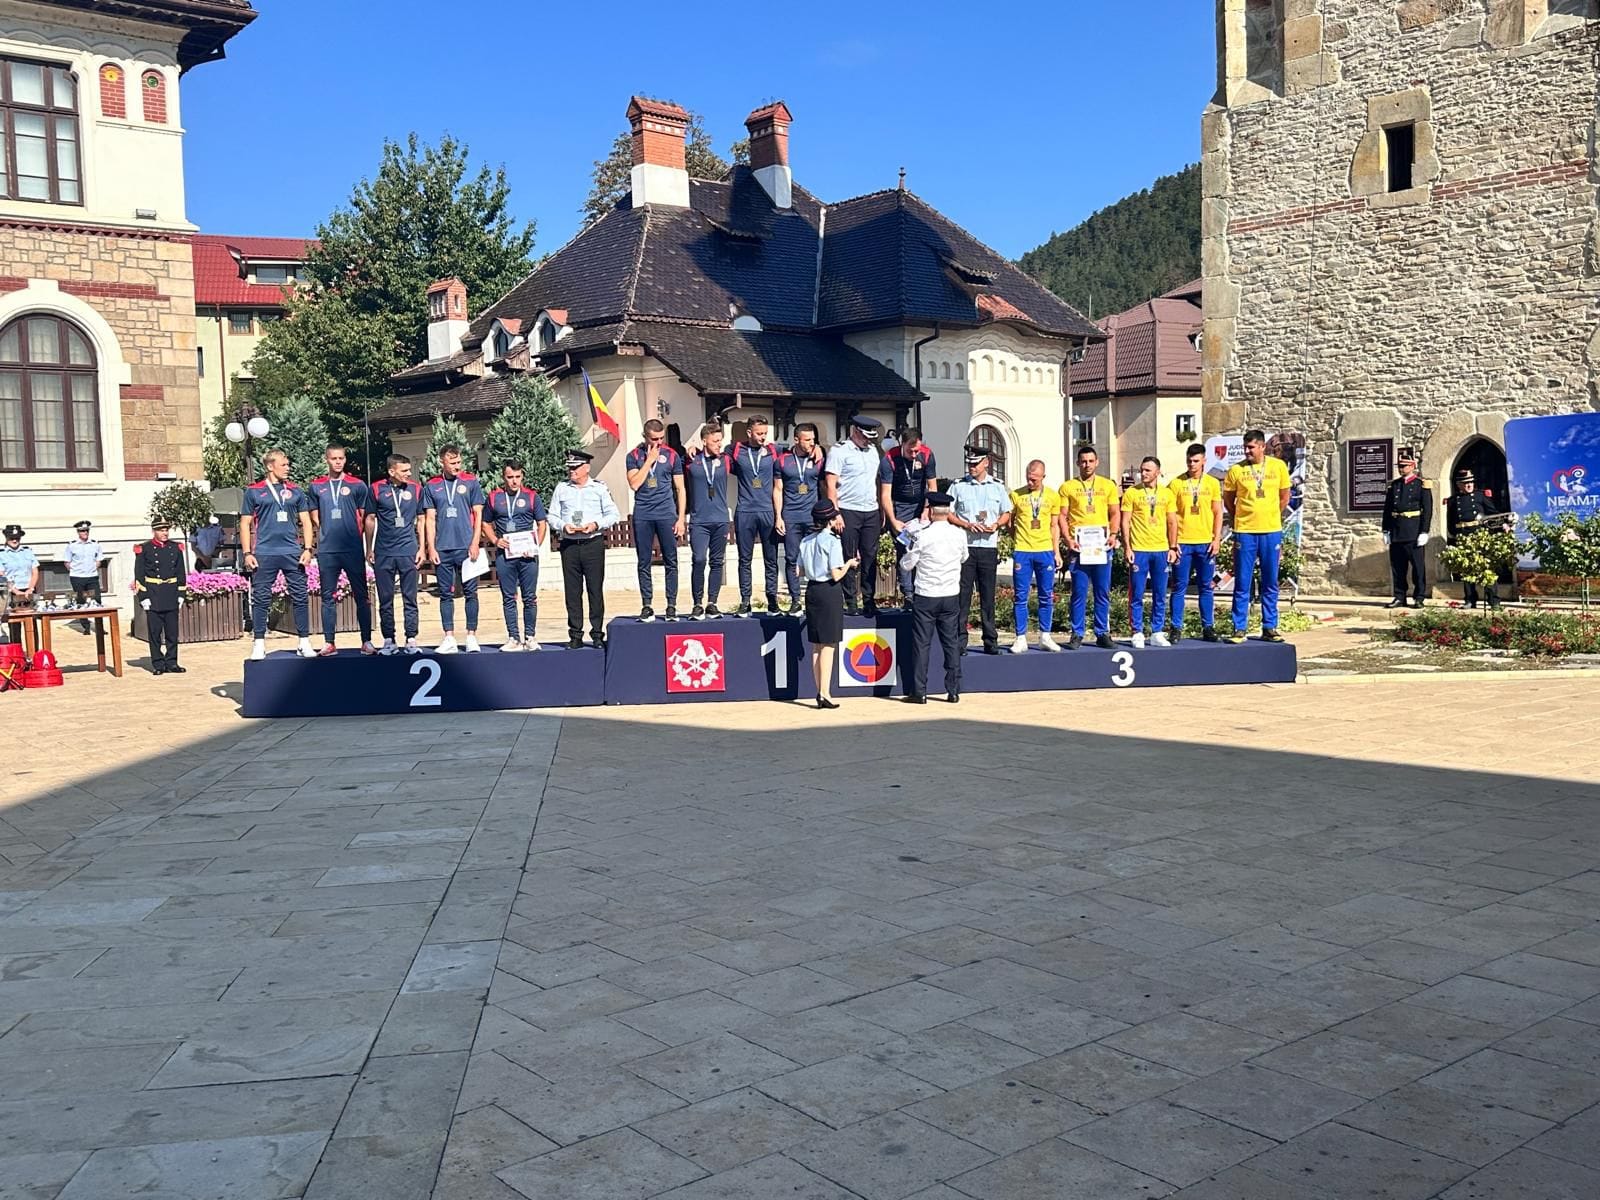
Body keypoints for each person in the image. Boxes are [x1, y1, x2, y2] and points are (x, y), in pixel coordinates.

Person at [242, 449, 315, 662]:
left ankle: (304, 641)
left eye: (287, 464)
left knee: (300, 596)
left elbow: (306, 521)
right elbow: (245, 523)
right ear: (270, 466)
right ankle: (259, 643)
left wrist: (308, 548)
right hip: (265, 552)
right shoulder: (254, 491)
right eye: (283, 464)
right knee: (261, 598)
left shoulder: (295, 491)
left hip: (292, 552)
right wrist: (247, 553)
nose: (287, 468)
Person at [1223, 428, 1293, 643]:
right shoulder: (1236, 470)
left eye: (1251, 447)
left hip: (1271, 531)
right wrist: (1240, 518)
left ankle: (1269, 627)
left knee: (1270, 580)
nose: (1247, 451)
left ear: (1262, 447)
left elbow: (1285, 497)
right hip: (1245, 532)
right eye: (1245, 447)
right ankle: (1239, 628)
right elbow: (1229, 500)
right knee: (1243, 581)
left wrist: (1271, 515)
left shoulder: (1278, 466)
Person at [308, 445, 375, 657]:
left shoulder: (357, 485)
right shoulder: (316, 486)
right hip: (328, 550)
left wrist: (360, 539)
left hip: (352, 548)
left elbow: (364, 516)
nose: (338, 462)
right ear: (326, 460)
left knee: (361, 595)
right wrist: (328, 531)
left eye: (341, 458)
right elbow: (315, 516)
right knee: (327, 596)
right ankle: (329, 642)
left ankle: (366, 641)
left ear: (345, 460)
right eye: (333, 458)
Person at [548, 448, 620, 648]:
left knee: (594, 590)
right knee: (572, 592)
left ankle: (597, 634)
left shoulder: (599, 488)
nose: (572, 471)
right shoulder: (562, 488)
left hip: (592, 543)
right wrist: (563, 526)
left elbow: (613, 514)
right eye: (570, 468)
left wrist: (596, 524)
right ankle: (575, 634)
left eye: (576, 467)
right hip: (570, 545)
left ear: (587, 468)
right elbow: (552, 515)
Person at [901, 492, 968, 704]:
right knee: (951, 643)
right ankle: (953, 690)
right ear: (948, 512)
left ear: (930, 511)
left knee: (922, 644)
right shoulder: (959, 534)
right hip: (950, 594)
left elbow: (907, 565)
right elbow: (964, 557)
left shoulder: (923, 535)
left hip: (926, 595)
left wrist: (907, 547)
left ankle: (919, 691)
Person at [423, 446, 486, 653]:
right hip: (443, 548)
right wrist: (431, 548)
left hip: (466, 547)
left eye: (459, 462)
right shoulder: (432, 485)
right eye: (452, 463)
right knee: (445, 594)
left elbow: (478, 514)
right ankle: (449, 637)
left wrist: (475, 542)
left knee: (471, 593)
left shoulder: (470, 482)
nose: (457, 466)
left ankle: (471, 636)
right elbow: (430, 519)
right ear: (442, 462)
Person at [950, 445, 1011, 655]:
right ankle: (960, 641)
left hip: (987, 546)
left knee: (988, 595)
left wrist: (996, 524)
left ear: (986, 463)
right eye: (969, 464)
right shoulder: (958, 486)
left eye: (976, 464)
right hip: (966, 546)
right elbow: (948, 513)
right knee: (963, 596)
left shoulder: (997, 487)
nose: (972, 467)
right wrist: (966, 524)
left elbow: (1006, 512)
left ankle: (990, 640)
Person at [1060, 445, 1121, 650]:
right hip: (1079, 547)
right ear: (1078, 463)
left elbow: (1115, 513)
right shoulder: (1068, 487)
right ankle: (1077, 633)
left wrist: (1113, 534)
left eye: (1090, 461)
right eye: (1083, 461)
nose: (1087, 465)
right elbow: (1062, 516)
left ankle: (1102, 633)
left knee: (1102, 592)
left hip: (1101, 546)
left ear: (1097, 462)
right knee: (1079, 592)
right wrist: (1068, 539)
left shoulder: (1108, 485)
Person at [798, 500, 856, 710]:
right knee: (829, 645)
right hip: (828, 591)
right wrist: (849, 564)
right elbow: (836, 574)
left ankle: (820, 691)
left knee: (816, 645)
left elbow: (799, 571)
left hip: (812, 590)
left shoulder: (806, 540)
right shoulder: (832, 541)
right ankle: (825, 692)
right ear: (830, 520)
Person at [625, 419, 685, 622]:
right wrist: (649, 461)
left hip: (666, 513)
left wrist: (681, 518)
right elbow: (634, 484)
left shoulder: (671, 455)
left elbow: (680, 488)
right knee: (644, 561)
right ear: (645, 437)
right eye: (654, 439)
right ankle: (647, 605)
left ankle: (671, 605)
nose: (658, 442)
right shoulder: (633, 456)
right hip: (643, 514)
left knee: (671, 560)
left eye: (661, 438)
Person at [485, 460, 548, 650]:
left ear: (522, 476)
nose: (514, 481)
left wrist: (536, 545)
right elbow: (485, 523)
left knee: (529, 597)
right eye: (510, 477)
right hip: (505, 555)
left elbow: (542, 523)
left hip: (528, 555)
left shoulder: (531, 496)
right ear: (503, 477)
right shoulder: (494, 497)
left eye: (518, 477)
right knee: (509, 597)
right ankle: (513, 637)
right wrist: (495, 540)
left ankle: (530, 636)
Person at [825, 415, 884, 616]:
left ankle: (869, 600)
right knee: (848, 556)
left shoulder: (873, 451)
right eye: (865, 436)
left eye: (871, 437)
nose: (868, 440)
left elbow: (877, 481)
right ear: (856, 431)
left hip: (870, 510)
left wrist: (880, 508)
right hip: (848, 509)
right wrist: (835, 513)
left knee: (870, 557)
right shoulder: (839, 451)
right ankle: (850, 601)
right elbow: (831, 485)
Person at [365, 453, 425, 655]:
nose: (408, 473)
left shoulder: (416, 489)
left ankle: (411, 638)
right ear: (391, 471)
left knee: (410, 597)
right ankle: (389, 639)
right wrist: (369, 548)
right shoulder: (376, 489)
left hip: (408, 550)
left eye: (409, 470)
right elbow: (370, 519)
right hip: (384, 551)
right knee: (385, 598)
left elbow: (421, 519)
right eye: (404, 470)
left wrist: (422, 547)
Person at [1167, 442, 1224, 642]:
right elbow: (1170, 516)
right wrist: (1172, 543)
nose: (1192, 464)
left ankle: (1208, 628)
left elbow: (1218, 513)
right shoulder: (1176, 484)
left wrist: (1216, 539)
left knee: (1206, 587)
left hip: (1205, 543)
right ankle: (1176, 628)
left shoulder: (1212, 483)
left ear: (1204, 461)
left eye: (1196, 461)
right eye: (1189, 461)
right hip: (1183, 543)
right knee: (1179, 587)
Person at [1007, 459, 1064, 653]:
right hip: (1023, 551)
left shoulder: (1053, 496)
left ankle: (1045, 636)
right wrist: (1017, 539)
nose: (1031, 483)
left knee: (1046, 595)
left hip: (1045, 551)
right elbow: (1009, 522)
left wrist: (1056, 552)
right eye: (1028, 479)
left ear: (1043, 477)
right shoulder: (1016, 495)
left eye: (1035, 480)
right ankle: (1020, 638)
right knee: (1020, 596)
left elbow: (1054, 526)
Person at [880, 428, 939, 607]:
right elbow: (885, 494)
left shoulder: (927, 455)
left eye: (916, 451)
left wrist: (927, 509)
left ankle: (922, 591)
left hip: (921, 506)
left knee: (923, 548)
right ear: (902, 444)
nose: (913, 455)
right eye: (910, 451)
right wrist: (893, 520)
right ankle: (908, 594)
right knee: (905, 549)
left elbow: (932, 487)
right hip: (899, 507)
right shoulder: (889, 459)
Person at [1121, 456, 1176, 649]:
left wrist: (1173, 547)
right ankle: (1137, 632)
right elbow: (1125, 521)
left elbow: (1172, 522)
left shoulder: (1167, 494)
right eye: (1141, 470)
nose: (1143, 473)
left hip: (1161, 550)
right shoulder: (1132, 493)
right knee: (1137, 593)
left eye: (1147, 470)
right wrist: (1127, 547)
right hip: (1139, 550)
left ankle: (1157, 632)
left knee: (1160, 594)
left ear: (1157, 472)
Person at [730, 415, 780, 616]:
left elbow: (797, 452)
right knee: (745, 559)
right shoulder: (735, 450)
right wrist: (693, 449)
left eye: (765, 433)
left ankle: (772, 599)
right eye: (759, 433)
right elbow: (714, 453)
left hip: (767, 511)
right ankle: (745, 600)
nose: (763, 437)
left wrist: (818, 449)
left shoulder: (774, 451)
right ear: (749, 432)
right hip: (745, 511)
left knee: (771, 559)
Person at [775, 423, 824, 614]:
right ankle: (795, 600)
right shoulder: (782, 461)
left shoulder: (819, 458)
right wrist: (778, 516)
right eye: (807, 440)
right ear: (796, 440)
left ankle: (815, 598)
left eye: (814, 440)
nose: (811, 443)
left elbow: (825, 485)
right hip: (791, 516)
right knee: (791, 559)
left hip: (813, 517)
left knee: (816, 558)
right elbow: (777, 489)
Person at [685, 423, 732, 618]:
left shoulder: (726, 459)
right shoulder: (691, 460)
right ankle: (697, 602)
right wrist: (689, 448)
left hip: (721, 519)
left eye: (720, 441)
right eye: (715, 441)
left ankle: (712, 602)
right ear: (704, 441)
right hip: (699, 520)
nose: (719, 444)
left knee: (717, 561)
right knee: (699, 559)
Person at [133, 518, 187, 675]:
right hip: (154, 594)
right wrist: (143, 596)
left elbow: (180, 572)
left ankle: (172, 662)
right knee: (155, 632)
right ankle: (158, 663)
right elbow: (139, 574)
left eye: (166, 530)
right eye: (161, 530)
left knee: (172, 632)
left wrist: (181, 593)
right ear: (154, 531)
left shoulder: (175, 548)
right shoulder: (145, 549)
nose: (165, 533)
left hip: (170, 592)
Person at [1446, 468, 1504, 609]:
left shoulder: (1480, 496)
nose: (1469, 485)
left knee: (1487, 569)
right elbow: (1451, 522)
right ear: (1459, 485)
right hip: (1463, 537)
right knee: (1467, 570)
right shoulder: (1453, 501)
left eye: (1471, 482)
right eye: (1465, 483)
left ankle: (1493, 600)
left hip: (1480, 535)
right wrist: (1455, 536)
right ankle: (1470, 600)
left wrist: (1502, 525)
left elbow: (1493, 514)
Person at [1382, 445, 1432, 610]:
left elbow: (1427, 510)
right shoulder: (1394, 486)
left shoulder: (1421, 485)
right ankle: (1399, 596)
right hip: (1397, 531)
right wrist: (1386, 530)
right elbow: (1387, 510)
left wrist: (1424, 531)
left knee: (1418, 568)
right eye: (1399, 466)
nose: (1401, 469)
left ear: (1412, 466)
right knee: (1398, 568)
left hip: (1413, 531)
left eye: (1404, 466)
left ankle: (1419, 597)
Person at [62, 520, 103, 608]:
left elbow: (98, 560)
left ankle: (98, 617)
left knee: (96, 600)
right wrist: (75, 571)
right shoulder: (72, 545)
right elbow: (67, 562)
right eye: (83, 531)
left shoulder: (95, 544)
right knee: (81, 601)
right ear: (78, 532)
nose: (85, 532)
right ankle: (83, 617)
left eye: (87, 530)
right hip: (77, 577)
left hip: (92, 577)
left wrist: (92, 569)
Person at [0, 524, 39, 607]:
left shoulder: (28, 551)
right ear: (6, 538)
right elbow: (2, 576)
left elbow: (35, 572)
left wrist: (30, 588)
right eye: (11, 538)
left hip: (29, 591)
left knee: (32, 614)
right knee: (13, 614)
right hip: (10, 591)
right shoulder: (1, 554)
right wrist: (16, 591)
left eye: (17, 538)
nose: (14, 541)